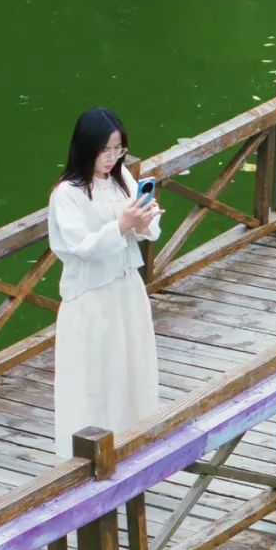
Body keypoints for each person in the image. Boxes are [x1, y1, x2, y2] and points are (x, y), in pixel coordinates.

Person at [48, 108, 162, 460]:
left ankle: (131, 443)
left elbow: (150, 231)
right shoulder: (67, 194)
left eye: (119, 150)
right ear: (87, 148)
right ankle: (84, 456)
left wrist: (143, 220)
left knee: (130, 366)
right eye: (106, 150)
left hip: (126, 288)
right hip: (92, 296)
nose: (113, 158)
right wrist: (122, 224)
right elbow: (79, 249)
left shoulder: (122, 177)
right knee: (94, 376)